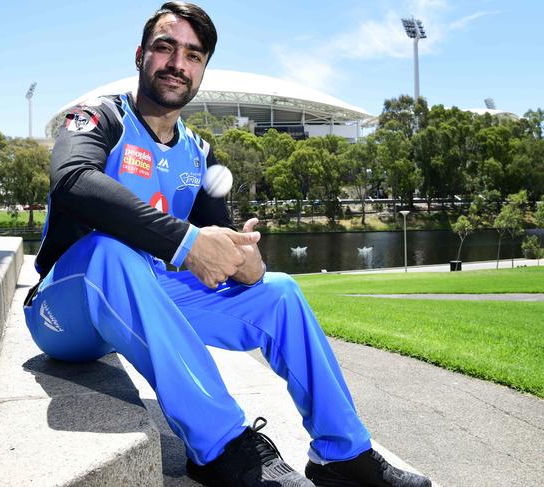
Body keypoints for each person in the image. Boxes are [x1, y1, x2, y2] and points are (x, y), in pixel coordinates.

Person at [23, 2, 432, 486]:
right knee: (110, 252)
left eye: (193, 55)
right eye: (165, 47)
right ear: (140, 56)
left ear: (202, 69)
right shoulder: (99, 117)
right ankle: (222, 448)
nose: (178, 63)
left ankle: (342, 454)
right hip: (65, 309)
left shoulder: (197, 152)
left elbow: (226, 242)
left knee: (280, 292)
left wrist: (247, 261)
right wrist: (186, 241)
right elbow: (71, 179)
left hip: (145, 297)